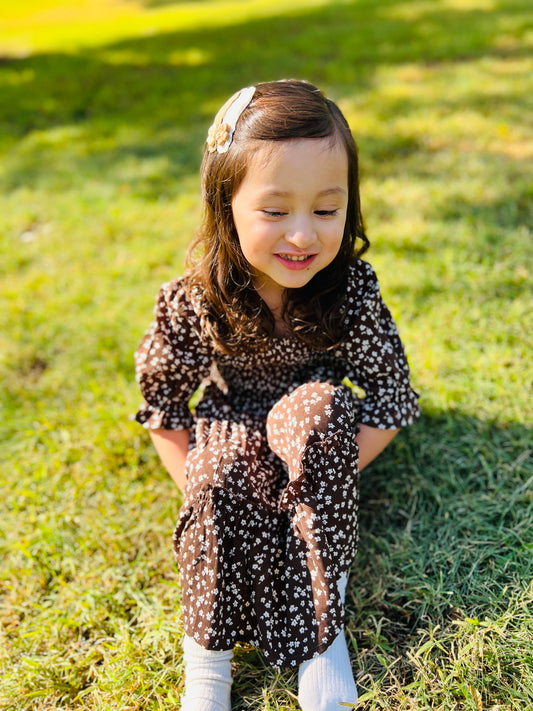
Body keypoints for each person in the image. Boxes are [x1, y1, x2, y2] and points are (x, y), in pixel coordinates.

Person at [134, 80, 420, 710]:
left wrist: (317, 478)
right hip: (231, 419)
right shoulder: (196, 299)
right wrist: (211, 493)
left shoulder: (347, 291)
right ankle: (207, 669)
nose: (302, 236)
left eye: (325, 210)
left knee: (317, 418)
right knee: (217, 477)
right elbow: (164, 410)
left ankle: (322, 637)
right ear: (225, 203)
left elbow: (392, 400)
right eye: (274, 210)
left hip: (311, 417)